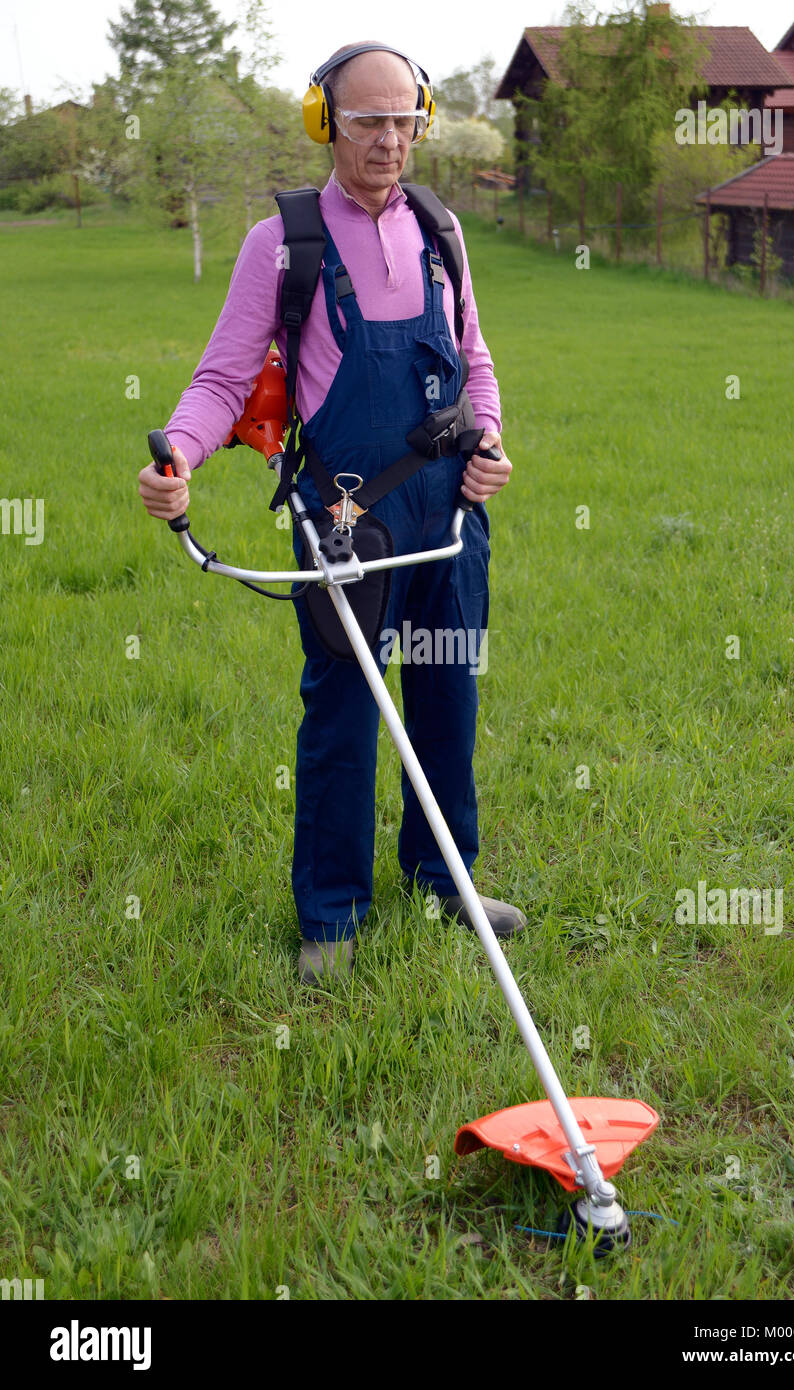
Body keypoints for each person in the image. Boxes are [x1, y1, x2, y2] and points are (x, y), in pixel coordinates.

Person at [138, 41, 526, 983]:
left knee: (447, 693)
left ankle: (446, 881)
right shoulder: (285, 242)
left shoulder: (440, 229)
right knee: (346, 706)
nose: (389, 141)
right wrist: (181, 455)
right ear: (324, 122)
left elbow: (472, 359)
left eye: (405, 122)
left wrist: (490, 445)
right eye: (367, 122)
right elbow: (226, 374)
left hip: (449, 516)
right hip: (348, 516)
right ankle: (332, 914)